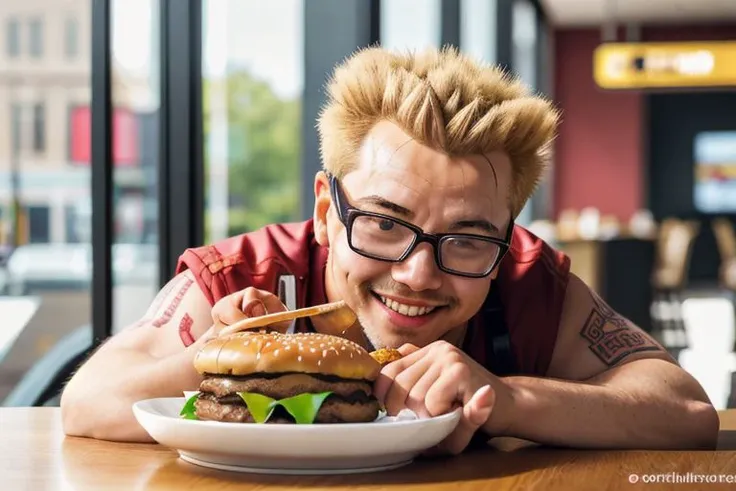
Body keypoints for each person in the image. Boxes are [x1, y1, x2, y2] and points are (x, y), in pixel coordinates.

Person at [61, 46, 718, 452]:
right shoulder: (248, 276)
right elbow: (88, 402)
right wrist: (223, 359)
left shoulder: (524, 279)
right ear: (326, 209)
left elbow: (685, 411)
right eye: (383, 223)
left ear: (506, 232)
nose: (417, 273)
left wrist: (506, 398)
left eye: (465, 237)